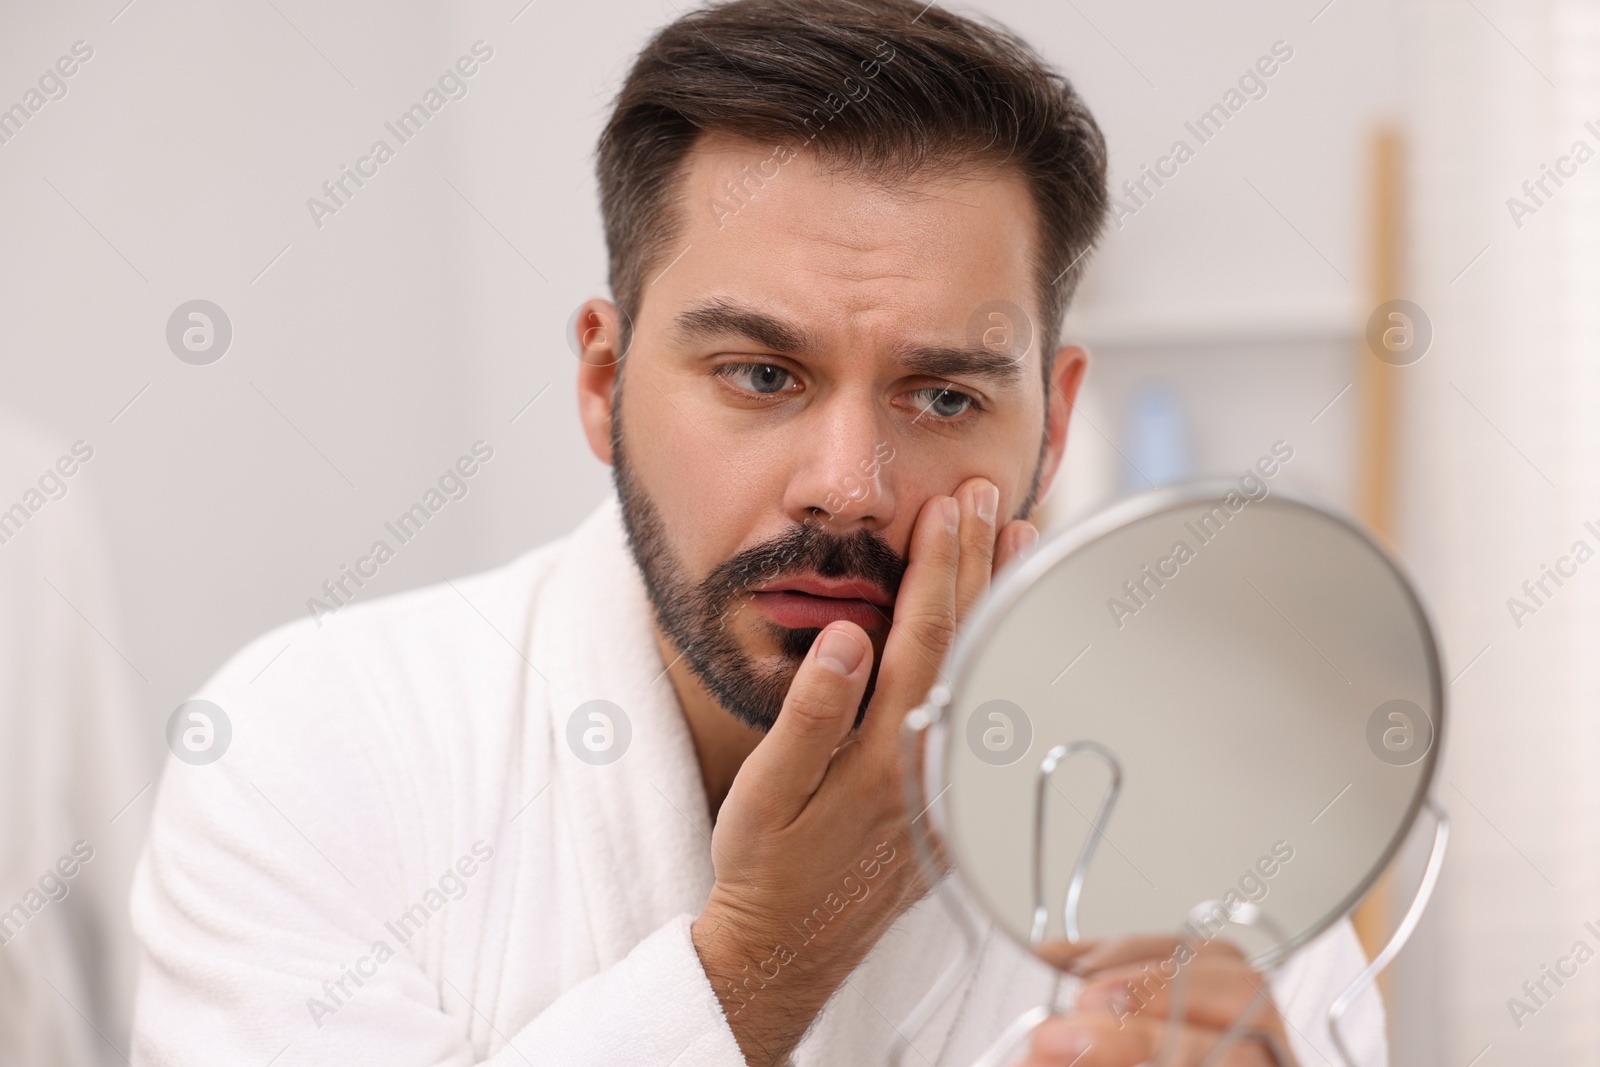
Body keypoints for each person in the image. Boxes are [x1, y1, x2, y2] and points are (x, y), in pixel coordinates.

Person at [129, 1, 1385, 1064]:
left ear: (1049, 428)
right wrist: (763, 958)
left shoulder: (1220, 819)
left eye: (944, 395)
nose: (846, 488)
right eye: (759, 375)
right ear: (603, 379)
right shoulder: (311, 751)